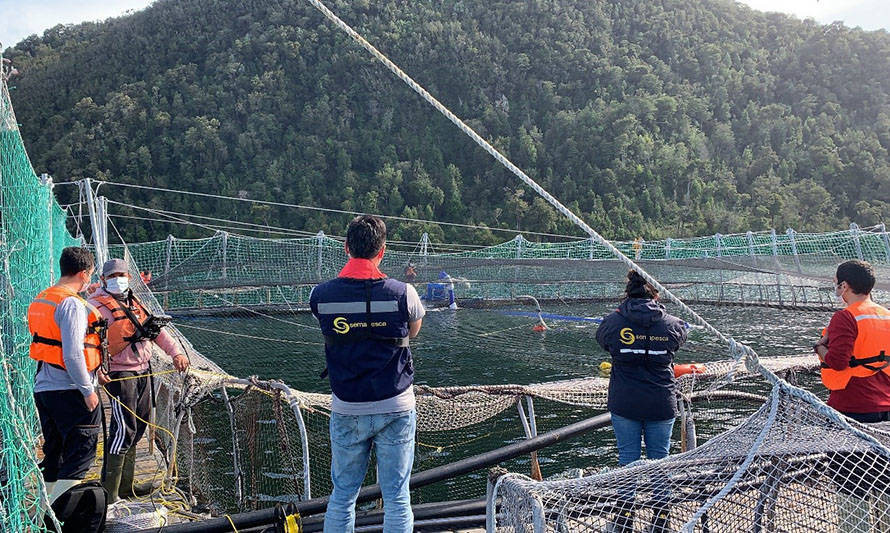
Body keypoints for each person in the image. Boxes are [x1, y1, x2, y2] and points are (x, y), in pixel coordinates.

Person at [309, 215, 425, 533]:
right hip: (396, 404)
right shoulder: (404, 293)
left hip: (348, 405)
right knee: (398, 498)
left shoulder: (320, 295)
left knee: (343, 496)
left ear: (346, 248)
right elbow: (413, 331)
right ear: (382, 251)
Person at [88, 258, 189, 503]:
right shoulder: (94, 306)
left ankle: (126, 485)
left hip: (144, 371)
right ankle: (110, 493)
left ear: (130, 277)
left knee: (140, 425)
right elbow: (87, 342)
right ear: (103, 279)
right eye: (112, 276)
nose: (118, 279)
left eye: (122, 274)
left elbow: (158, 332)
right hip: (119, 374)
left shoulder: (134, 301)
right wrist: (94, 370)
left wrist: (175, 352)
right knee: (124, 429)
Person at [595, 270, 687, 532]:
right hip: (660, 400)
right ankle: (661, 523)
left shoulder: (612, 323)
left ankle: (624, 523)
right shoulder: (672, 324)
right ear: (655, 293)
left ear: (628, 292)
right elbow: (680, 338)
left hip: (625, 402)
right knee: (660, 460)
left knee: (628, 460)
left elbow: (603, 340)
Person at [815, 260, 890, 532]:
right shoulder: (886, 315)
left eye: (836, 282)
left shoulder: (845, 317)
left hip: (851, 410)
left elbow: (837, 361)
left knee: (851, 482)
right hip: (885, 409)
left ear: (843, 286)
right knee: (883, 478)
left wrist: (819, 348)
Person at [28, 247, 103, 504]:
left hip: (45, 389)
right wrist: (88, 390)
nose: (90, 281)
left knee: (54, 455)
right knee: (78, 458)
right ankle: (60, 519)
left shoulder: (43, 298)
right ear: (83, 274)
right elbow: (72, 354)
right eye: (90, 276)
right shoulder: (71, 304)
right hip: (71, 391)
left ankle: (44, 514)